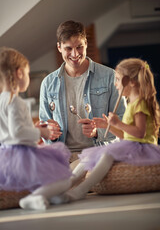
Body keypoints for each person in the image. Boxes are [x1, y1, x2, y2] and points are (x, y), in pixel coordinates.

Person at [50, 58, 160, 203]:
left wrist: (118, 123)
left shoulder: (140, 104)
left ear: (131, 82)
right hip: (132, 145)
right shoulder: (132, 103)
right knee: (90, 157)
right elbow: (127, 136)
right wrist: (106, 125)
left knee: (106, 154)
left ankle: (81, 190)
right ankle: (66, 186)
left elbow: (139, 133)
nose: (115, 84)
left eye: (118, 80)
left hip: (142, 148)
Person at [39, 20, 125, 161]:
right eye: (68, 48)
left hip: (100, 155)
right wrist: (49, 132)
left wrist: (97, 132)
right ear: (59, 47)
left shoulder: (110, 76)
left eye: (79, 47)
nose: (75, 54)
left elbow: (123, 122)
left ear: (86, 43)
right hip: (62, 158)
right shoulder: (48, 83)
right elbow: (44, 125)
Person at [0, 47, 73, 210]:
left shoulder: (2, 100)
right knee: (64, 179)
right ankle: (34, 197)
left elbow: (10, 131)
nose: (27, 78)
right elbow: (17, 133)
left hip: (6, 154)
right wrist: (42, 132)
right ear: (19, 73)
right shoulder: (15, 101)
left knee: (49, 178)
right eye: (27, 73)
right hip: (21, 155)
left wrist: (32, 127)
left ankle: (50, 196)